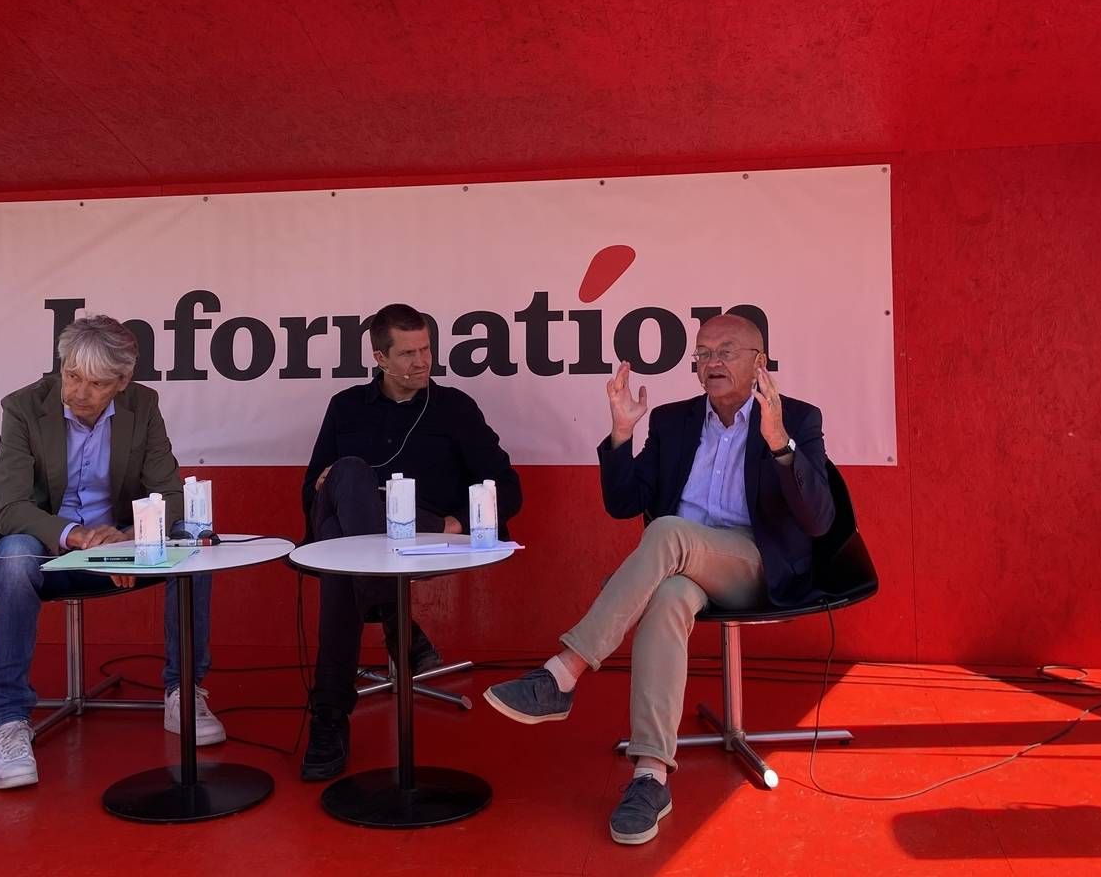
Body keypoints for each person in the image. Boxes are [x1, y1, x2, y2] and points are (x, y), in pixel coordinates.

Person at [483, 313, 834, 846]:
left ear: (759, 363)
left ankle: (563, 672)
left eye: (726, 352)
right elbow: (625, 502)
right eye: (703, 353)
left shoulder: (796, 419)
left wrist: (780, 442)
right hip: (682, 566)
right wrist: (622, 433)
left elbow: (819, 520)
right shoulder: (673, 421)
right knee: (669, 594)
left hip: (754, 565)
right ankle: (650, 775)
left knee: (671, 533)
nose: (711, 363)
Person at [0, 314, 219, 789]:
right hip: (48, 547)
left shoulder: (143, 406)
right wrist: (77, 536)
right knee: (15, 555)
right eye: (72, 375)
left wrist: (132, 538)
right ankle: (10, 719)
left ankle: (184, 691)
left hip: (121, 542)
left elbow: (172, 493)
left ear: (123, 382)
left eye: (96, 383)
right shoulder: (22, 407)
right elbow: (11, 507)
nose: (78, 392)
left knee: (194, 537)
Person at [298, 302, 522, 781]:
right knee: (350, 476)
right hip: (349, 531)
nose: (423, 362)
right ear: (379, 358)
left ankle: (329, 716)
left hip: (428, 533)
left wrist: (457, 524)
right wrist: (334, 480)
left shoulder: (455, 409)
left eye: (426, 350)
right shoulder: (346, 408)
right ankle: (400, 626)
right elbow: (309, 491)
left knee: (344, 558)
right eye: (407, 354)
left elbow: (508, 487)